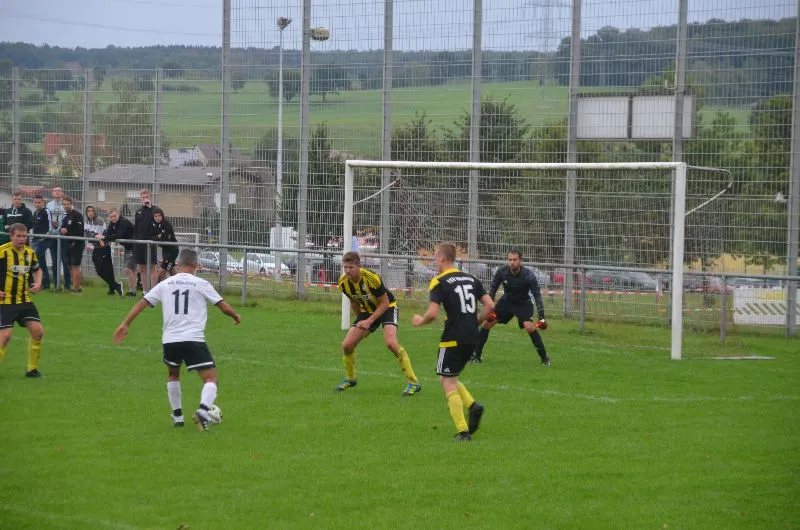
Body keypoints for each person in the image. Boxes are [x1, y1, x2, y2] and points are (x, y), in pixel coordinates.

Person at [113, 248, 241, 431]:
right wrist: (235, 316)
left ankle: (178, 417)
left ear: (178, 264)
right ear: (197, 265)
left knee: (173, 374)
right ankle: (203, 411)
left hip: (170, 340)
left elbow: (142, 302)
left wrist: (125, 324)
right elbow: (223, 306)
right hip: (193, 339)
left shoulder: (165, 284)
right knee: (211, 379)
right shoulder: (201, 283)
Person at [411, 243, 495, 441]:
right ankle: (473, 406)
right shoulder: (471, 278)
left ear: (441, 258)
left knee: (448, 382)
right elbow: (490, 305)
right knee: (448, 377)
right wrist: (476, 322)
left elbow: (433, 313)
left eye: (435, 257)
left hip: (453, 336)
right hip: (472, 336)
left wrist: (420, 321)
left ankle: (463, 431)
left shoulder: (439, 281)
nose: (434, 261)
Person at [335, 251, 422, 396]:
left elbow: (385, 303)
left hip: (388, 308)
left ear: (359, 266)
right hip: (367, 311)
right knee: (347, 345)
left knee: (391, 344)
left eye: (351, 267)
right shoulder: (343, 282)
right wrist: (360, 322)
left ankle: (413, 382)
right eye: (345, 267)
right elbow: (353, 301)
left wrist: (369, 321)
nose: (348, 271)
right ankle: (350, 379)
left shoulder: (371, 278)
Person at [471, 250, 550, 366]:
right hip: (506, 303)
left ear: (520, 261)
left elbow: (537, 296)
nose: (512, 262)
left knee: (529, 327)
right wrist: (488, 308)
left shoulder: (528, 275)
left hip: (523, 303)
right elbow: (492, 290)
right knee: (487, 323)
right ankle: (476, 357)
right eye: (510, 260)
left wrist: (542, 318)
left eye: (514, 260)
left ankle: (545, 359)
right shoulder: (501, 272)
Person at [0, 223, 45, 378]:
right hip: (5, 302)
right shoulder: (3, 252)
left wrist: (38, 282)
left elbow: (37, 270)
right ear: (11, 236)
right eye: (18, 236)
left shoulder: (30, 253)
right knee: (5, 336)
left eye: (24, 236)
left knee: (38, 332)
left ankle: (32, 369)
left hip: (24, 300)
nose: (21, 239)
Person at [97, 208, 138, 296]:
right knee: (132, 270)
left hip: (135, 247)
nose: (113, 218)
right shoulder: (112, 223)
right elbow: (108, 233)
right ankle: (133, 291)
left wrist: (104, 237)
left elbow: (119, 235)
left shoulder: (124, 222)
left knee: (128, 269)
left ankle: (134, 290)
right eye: (111, 217)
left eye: (115, 216)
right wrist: (101, 236)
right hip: (128, 247)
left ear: (118, 214)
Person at [85, 205, 120, 296]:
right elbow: (87, 233)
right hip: (97, 247)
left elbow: (96, 235)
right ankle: (115, 286)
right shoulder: (87, 221)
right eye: (88, 211)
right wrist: (92, 236)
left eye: (92, 211)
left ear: (95, 212)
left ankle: (114, 287)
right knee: (102, 270)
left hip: (103, 247)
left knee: (104, 270)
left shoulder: (99, 221)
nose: (90, 213)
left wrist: (93, 236)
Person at [133, 189, 158, 292]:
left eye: (147, 197)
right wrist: (135, 242)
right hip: (140, 243)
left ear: (150, 198)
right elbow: (136, 228)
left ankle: (154, 292)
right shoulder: (138, 211)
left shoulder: (155, 210)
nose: (145, 199)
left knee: (152, 267)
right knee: (142, 268)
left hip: (150, 242)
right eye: (143, 197)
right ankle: (145, 291)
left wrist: (150, 207)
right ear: (140, 199)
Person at [59, 196, 84, 293]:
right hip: (67, 243)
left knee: (75, 265)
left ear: (71, 204)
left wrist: (68, 231)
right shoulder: (66, 216)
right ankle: (75, 285)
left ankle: (76, 288)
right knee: (69, 265)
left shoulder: (77, 215)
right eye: (64, 204)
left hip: (77, 243)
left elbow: (80, 230)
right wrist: (61, 230)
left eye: (67, 204)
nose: (66, 206)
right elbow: (62, 228)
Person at [46, 186, 67, 289]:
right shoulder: (49, 205)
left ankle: (67, 285)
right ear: (52, 193)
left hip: (63, 236)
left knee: (65, 261)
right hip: (52, 236)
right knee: (54, 261)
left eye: (59, 191)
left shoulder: (66, 204)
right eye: (55, 191)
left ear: (62, 193)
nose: (57, 192)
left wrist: (61, 228)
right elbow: (48, 220)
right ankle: (56, 284)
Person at [30, 195, 53, 290]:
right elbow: (33, 226)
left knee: (36, 256)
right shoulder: (35, 213)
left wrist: (44, 237)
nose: (37, 204)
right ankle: (45, 283)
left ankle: (41, 282)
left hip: (44, 240)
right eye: (35, 202)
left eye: (39, 202)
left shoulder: (46, 211)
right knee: (41, 261)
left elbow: (50, 227)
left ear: (43, 202)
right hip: (35, 239)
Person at [151, 207, 179, 281]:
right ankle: (179, 283)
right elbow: (151, 237)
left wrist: (159, 237)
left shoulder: (166, 224)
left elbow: (165, 238)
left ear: (162, 216)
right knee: (171, 269)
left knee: (163, 270)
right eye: (155, 216)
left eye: (159, 216)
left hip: (172, 250)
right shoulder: (153, 225)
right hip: (164, 250)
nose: (158, 218)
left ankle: (157, 284)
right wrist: (158, 236)